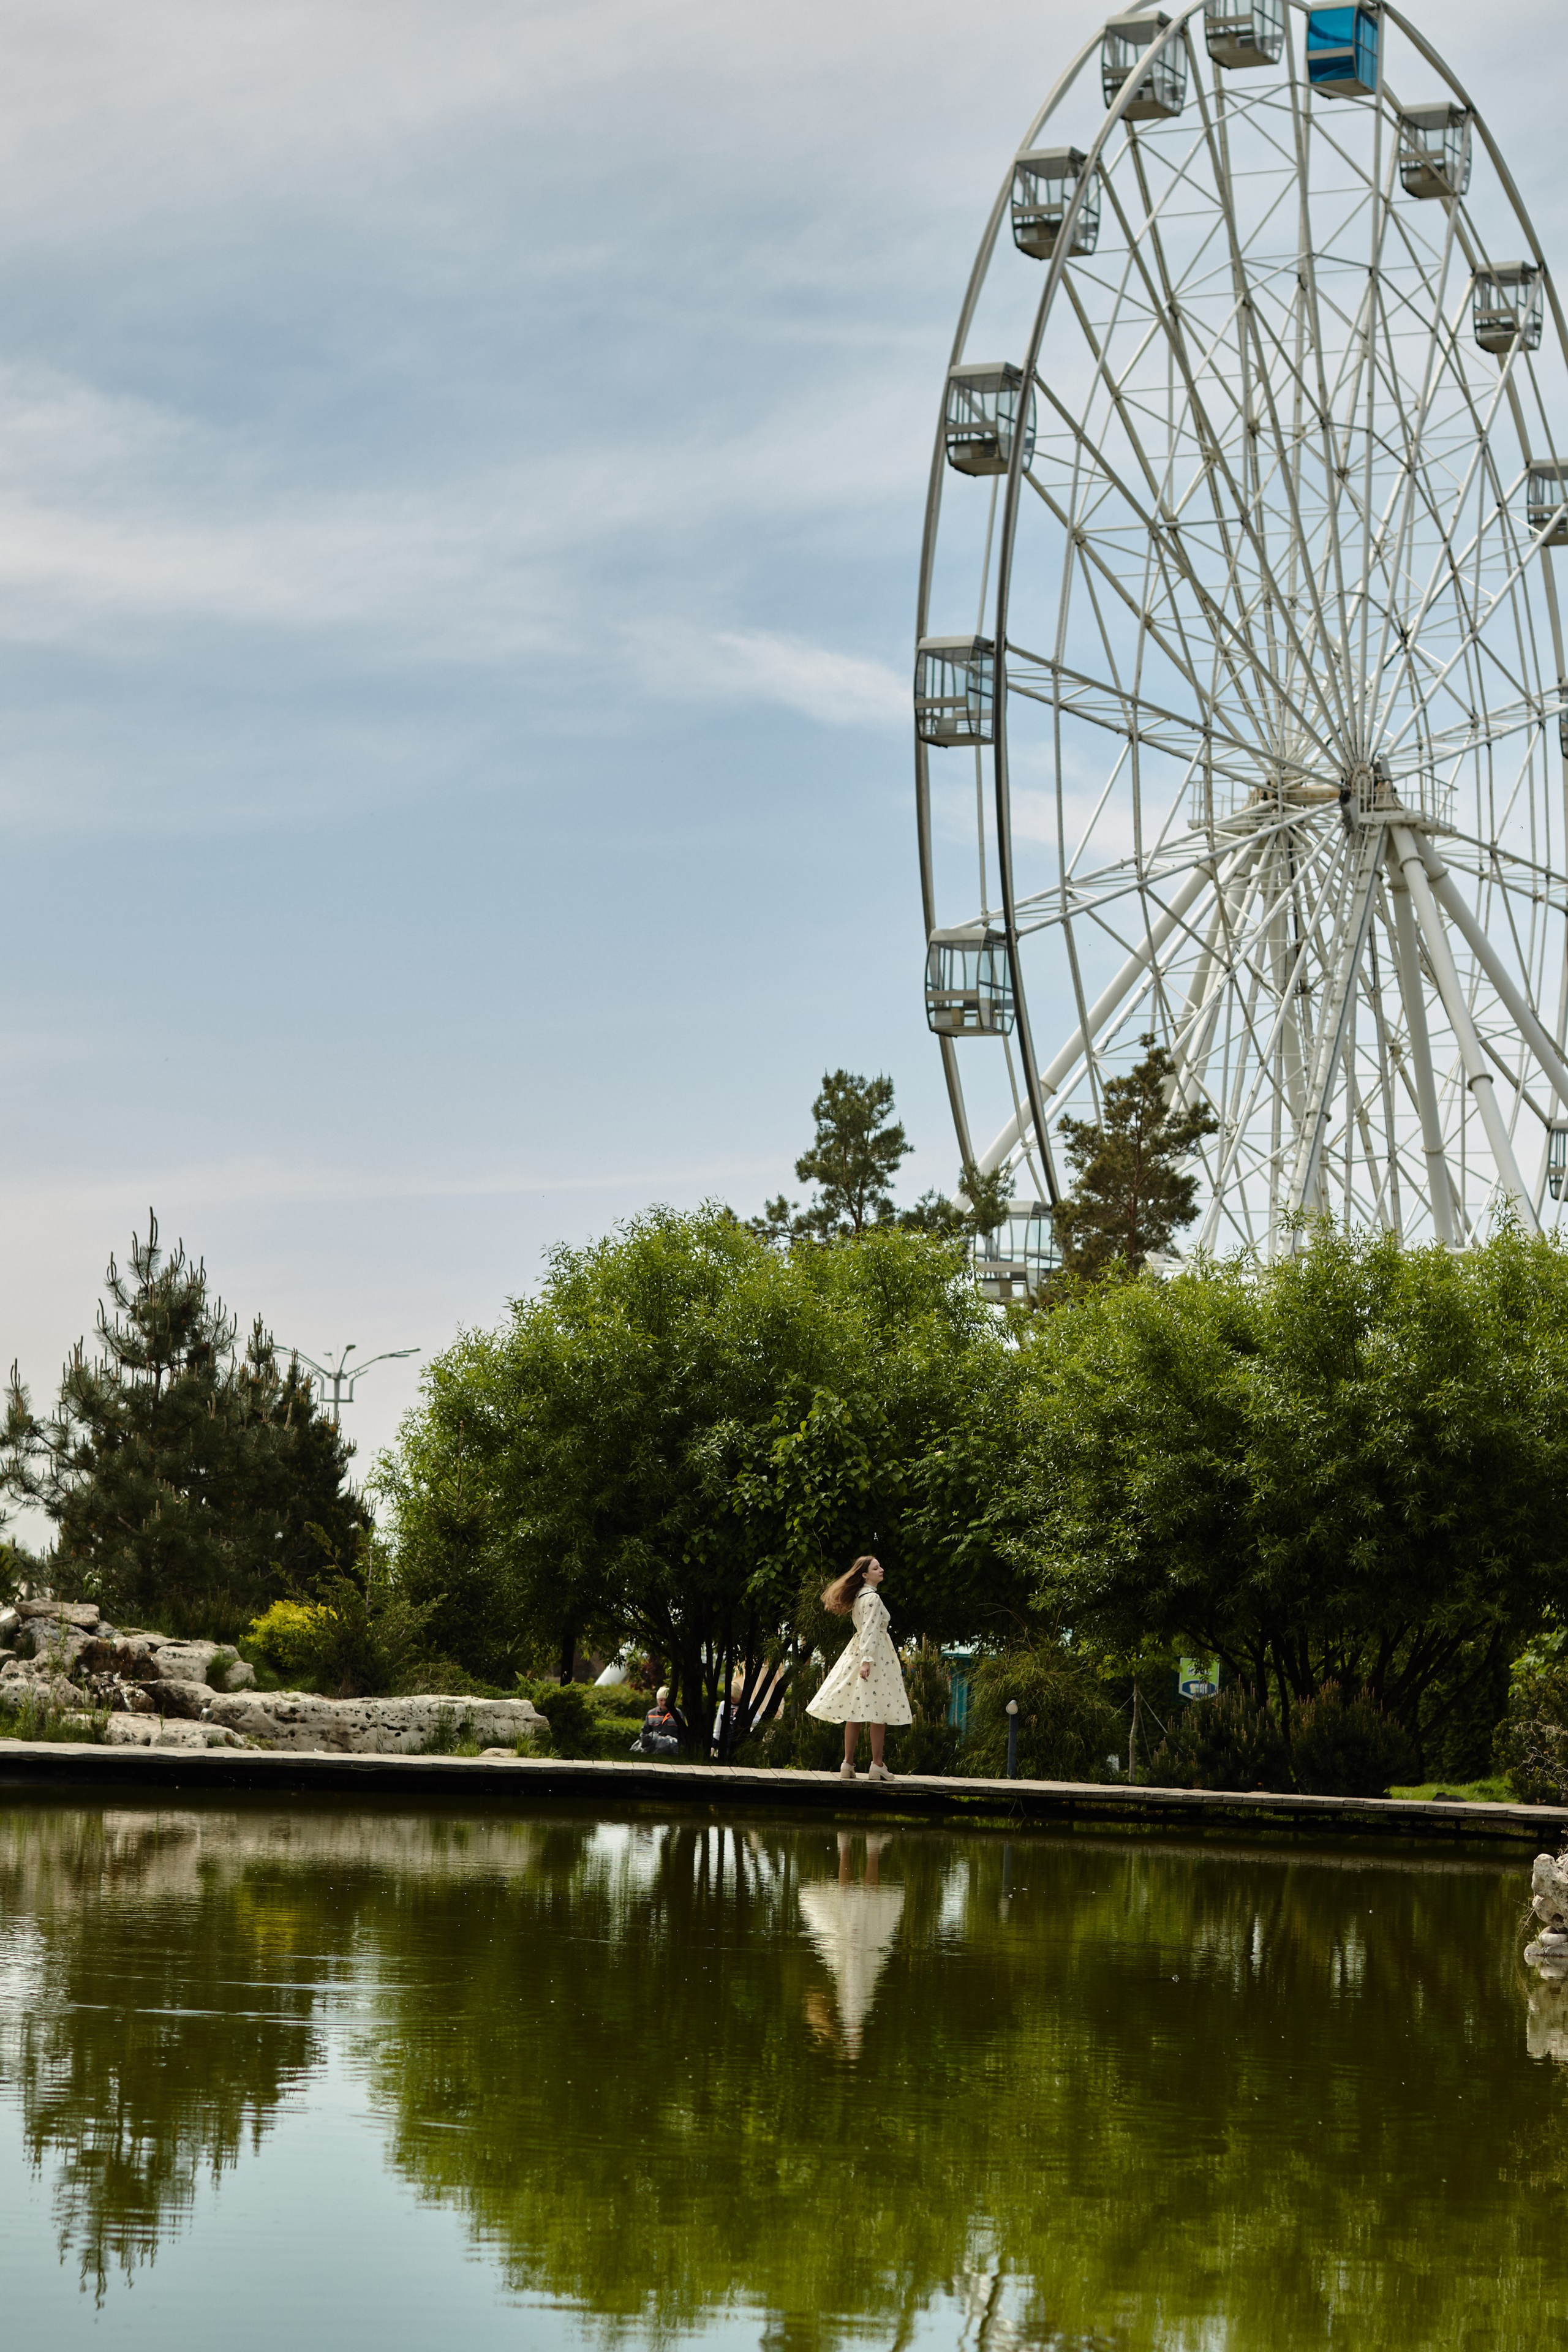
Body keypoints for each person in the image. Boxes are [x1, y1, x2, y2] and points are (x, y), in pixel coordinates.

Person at [805, 1555, 911, 1781]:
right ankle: (877, 1764)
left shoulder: (860, 1596)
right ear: (865, 1575)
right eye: (876, 1568)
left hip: (862, 1653)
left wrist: (864, 1658)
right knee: (878, 1711)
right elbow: (871, 1630)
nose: (881, 1569)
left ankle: (848, 1763)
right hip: (874, 1656)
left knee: (856, 1711)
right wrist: (867, 1660)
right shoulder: (871, 1598)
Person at [633, 1687, 684, 1758]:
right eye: (661, 1700)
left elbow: (683, 1733)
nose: (663, 1703)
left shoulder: (678, 1714)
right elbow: (645, 1732)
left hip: (672, 1751)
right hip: (654, 1751)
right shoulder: (651, 1714)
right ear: (657, 1700)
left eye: (666, 1700)